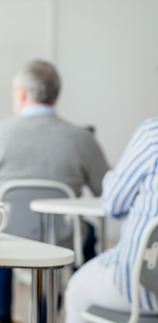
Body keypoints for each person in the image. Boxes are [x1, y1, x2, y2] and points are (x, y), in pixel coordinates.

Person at [0, 60, 109, 323]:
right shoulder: (82, 138)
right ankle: (75, 299)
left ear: (20, 93)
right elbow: (106, 192)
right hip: (63, 237)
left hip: (7, 236)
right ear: (56, 94)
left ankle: (3, 314)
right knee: (89, 235)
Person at [65, 118, 158, 322]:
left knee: (74, 291)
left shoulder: (153, 134)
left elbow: (112, 205)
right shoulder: (82, 138)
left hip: (139, 290)